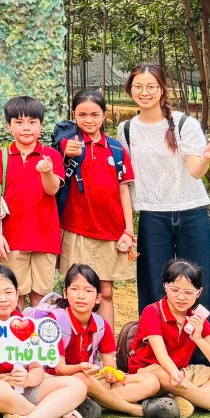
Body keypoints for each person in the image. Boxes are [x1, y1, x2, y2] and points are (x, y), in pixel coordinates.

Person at [121, 63, 210, 352]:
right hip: (152, 215)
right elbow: (124, 181)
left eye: (151, 87)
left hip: (191, 212)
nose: (144, 92)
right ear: (130, 90)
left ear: (162, 89)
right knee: (154, 285)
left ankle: (207, 356)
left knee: (201, 285)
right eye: (138, 87)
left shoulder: (184, 124)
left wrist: (206, 157)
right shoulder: (126, 129)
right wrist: (126, 229)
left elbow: (195, 170)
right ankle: (153, 355)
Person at [0, 263, 89, 418]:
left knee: (77, 386)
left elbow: (36, 369)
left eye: (8, 292)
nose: (3, 299)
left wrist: (27, 379)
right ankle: (53, 417)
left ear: (17, 294)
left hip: (21, 387)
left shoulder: (24, 322)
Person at [127, 258, 210, 417]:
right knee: (163, 375)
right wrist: (173, 373)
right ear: (165, 286)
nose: (181, 297)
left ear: (199, 292)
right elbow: (161, 354)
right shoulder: (153, 311)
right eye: (174, 290)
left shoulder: (197, 318)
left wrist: (198, 338)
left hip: (180, 372)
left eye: (189, 292)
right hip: (150, 371)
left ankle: (185, 401)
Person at [51, 263, 179, 418]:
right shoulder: (55, 322)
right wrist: (80, 367)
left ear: (98, 298)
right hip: (61, 381)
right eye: (74, 289)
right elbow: (60, 370)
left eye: (88, 291)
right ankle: (136, 410)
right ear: (65, 293)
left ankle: (91, 401)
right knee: (81, 379)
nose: (81, 296)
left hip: (92, 381)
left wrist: (110, 372)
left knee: (151, 381)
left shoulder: (101, 324)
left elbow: (109, 364)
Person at [55, 88, 135, 329]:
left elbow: (124, 190)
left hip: (110, 230)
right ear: (73, 115)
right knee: (75, 291)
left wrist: (129, 230)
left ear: (104, 115)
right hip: (76, 228)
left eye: (94, 114)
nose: (88, 120)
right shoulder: (67, 145)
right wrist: (64, 153)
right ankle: (74, 343)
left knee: (105, 291)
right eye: (82, 115)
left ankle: (106, 344)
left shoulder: (116, 150)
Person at [0, 96, 64, 306]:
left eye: (32, 122)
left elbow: (52, 189)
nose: (26, 128)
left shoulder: (51, 156)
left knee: (41, 296)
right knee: (14, 295)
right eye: (19, 122)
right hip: (12, 238)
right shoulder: (0, 157)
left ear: (41, 124)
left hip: (45, 238)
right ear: (9, 125)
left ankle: (38, 329)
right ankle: (16, 329)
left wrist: (47, 172)